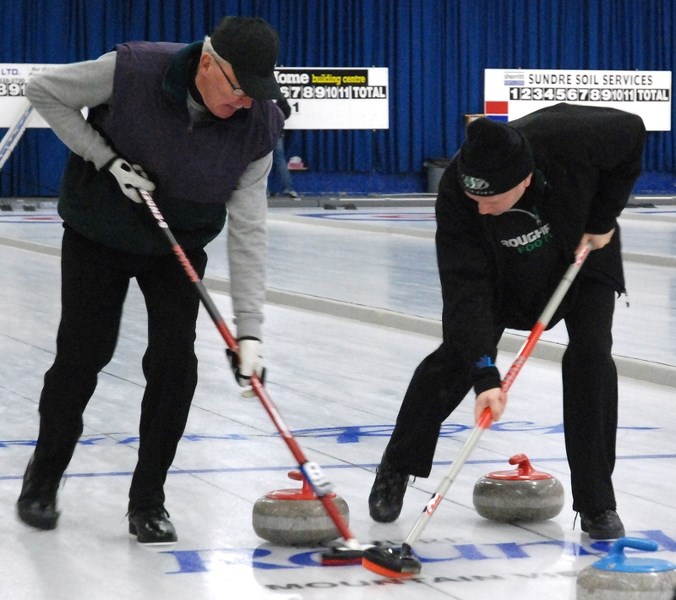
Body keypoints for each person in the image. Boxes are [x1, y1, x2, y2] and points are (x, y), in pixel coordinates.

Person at [17, 16, 284, 544]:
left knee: (174, 366)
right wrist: (107, 159)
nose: (246, 104)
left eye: (257, 93)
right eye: (238, 90)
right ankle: (43, 479)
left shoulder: (260, 127)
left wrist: (249, 332)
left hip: (177, 243)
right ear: (208, 63)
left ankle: (148, 501)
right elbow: (42, 91)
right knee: (83, 353)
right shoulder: (132, 70)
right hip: (100, 229)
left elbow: (250, 230)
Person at [368, 103, 646, 540]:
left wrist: (604, 216)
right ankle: (397, 466)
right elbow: (465, 291)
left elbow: (632, 133)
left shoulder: (573, 137)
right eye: (474, 200)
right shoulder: (460, 201)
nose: (480, 210)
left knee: (592, 357)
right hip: (500, 270)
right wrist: (485, 376)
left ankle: (597, 503)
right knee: (456, 358)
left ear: (523, 179)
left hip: (584, 247)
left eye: (490, 201)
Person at [270, 96, 299, 198]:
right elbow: (287, 112)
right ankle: (289, 189)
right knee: (280, 161)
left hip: (262, 133)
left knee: (261, 163)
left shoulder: (258, 96)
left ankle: (263, 191)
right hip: (277, 131)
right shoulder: (278, 96)